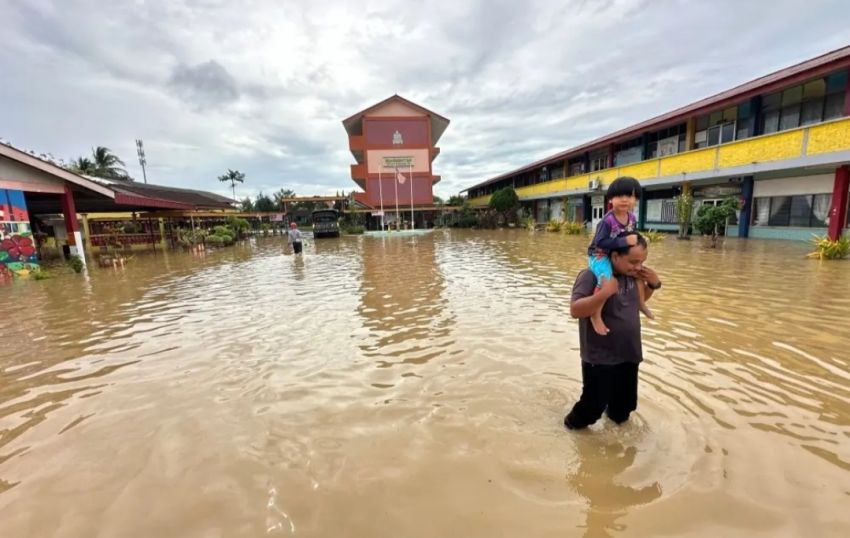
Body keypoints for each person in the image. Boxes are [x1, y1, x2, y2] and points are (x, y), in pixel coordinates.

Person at [565, 233, 662, 430]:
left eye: (642, 262)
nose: (638, 267)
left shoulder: (632, 277)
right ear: (615, 256)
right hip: (600, 357)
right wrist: (604, 293)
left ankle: (615, 443)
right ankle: (569, 429)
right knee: (592, 408)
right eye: (633, 261)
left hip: (628, 353)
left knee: (624, 408)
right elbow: (576, 310)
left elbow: (635, 302)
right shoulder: (592, 276)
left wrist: (653, 283)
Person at [586, 176, 653, 336]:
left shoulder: (632, 218)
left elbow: (631, 236)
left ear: (636, 199)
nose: (624, 200)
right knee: (606, 280)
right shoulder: (607, 221)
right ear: (610, 199)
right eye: (619, 196)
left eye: (629, 196)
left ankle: (641, 304)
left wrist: (641, 239)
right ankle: (595, 315)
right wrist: (624, 241)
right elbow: (600, 242)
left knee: (638, 273)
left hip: (618, 256)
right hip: (599, 255)